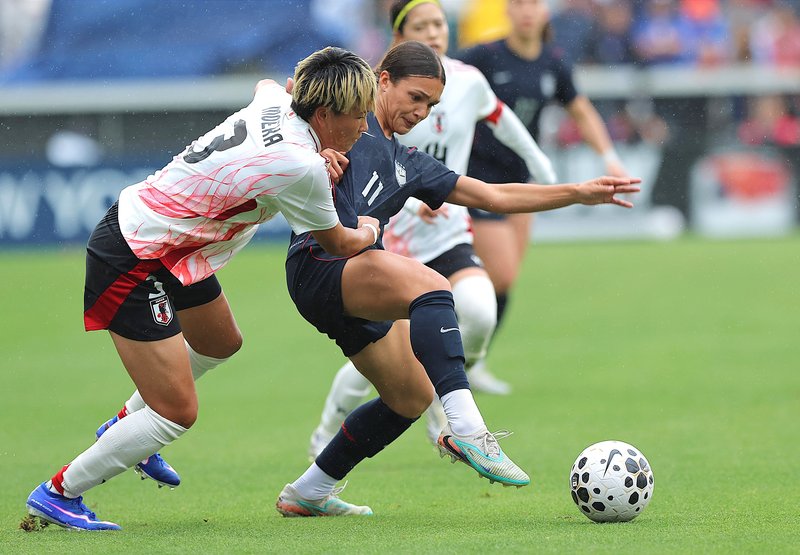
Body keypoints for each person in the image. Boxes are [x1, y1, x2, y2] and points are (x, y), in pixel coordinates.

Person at [275, 39, 640, 517]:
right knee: (433, 287)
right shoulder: (345, 119)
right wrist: (312, 149)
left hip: (352, 279)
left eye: (431, 104)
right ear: (383, 80)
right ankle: (467, 428)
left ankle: (310, 491)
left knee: (409, 397)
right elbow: (284, 98)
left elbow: (493, 197)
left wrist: (577, 192)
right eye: (415, 97)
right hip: (320, 263)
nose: (422, 112)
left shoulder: (408, 163)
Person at [24, 46, 383, 531]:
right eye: (358, 116)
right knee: (177, 412)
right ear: (324, 113)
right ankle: (60, 493)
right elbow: (339, 243)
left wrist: (316, 144)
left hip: (172, 248)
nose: (364, 127)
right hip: (135, 256)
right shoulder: (302, 166)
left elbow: (272, 87)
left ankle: (125, 426)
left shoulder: (275, 102)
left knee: (219, 342)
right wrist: (371, 229)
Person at [306, 0, 558, 465]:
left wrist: (548, 173)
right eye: (421, 26)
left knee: (480, 312)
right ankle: (327, 435)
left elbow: (506, 130)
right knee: (380, 361)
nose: (434, 33)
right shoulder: (368, 97)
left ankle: (453, 403)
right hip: (386, 235)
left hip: (443, 230)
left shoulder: (466, 81)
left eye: (439, 24)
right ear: (398, 41)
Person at [453, 0, 628, 392]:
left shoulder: (554, 61)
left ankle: (471, 362)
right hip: (478, 181)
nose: (527, 11)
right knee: (501, 273)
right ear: (508, 13)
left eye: (533, 4)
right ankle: (452, 356)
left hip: (522, 182)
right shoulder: (482, 55)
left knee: (504, 283)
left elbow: (581, 111)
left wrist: (610, 158)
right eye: (518, 4)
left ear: (545, 12)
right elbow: (439, 87)